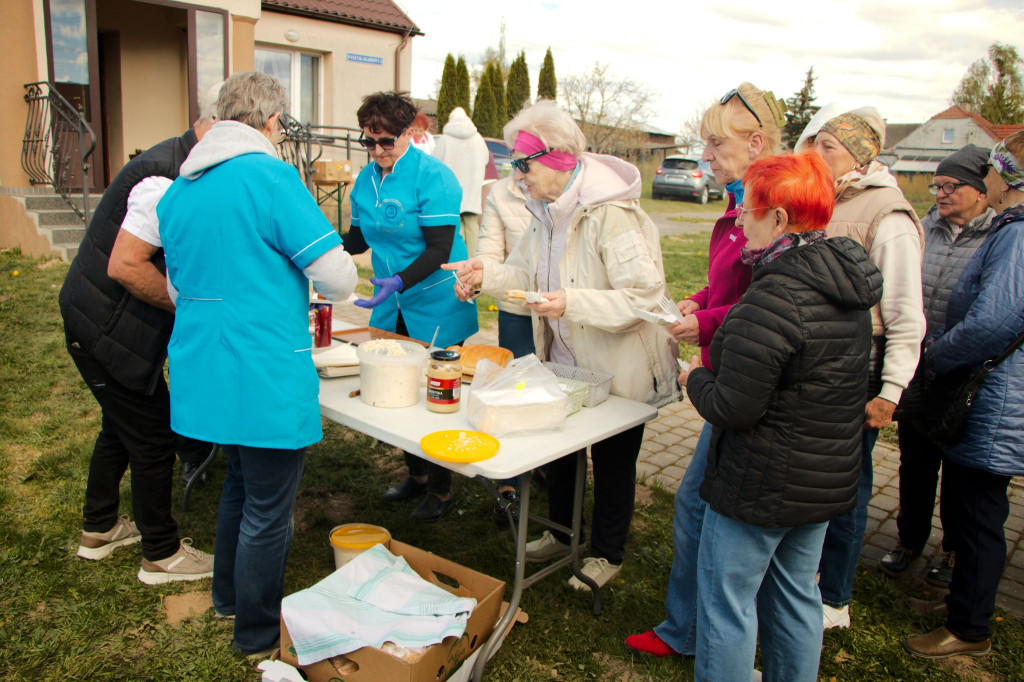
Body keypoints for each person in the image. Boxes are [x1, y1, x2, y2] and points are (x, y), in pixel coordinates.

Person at [157, 71, 358, 655]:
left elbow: (176, 288)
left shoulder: (179, 188)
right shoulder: (270, 178)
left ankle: (227, 599)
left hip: (204, 364)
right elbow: (339, 277)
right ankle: (256, 633)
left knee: (239, 487)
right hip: (263, 365)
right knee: (269, 508)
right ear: (272, 123)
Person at [444, 100, 680, 590]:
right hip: (565, 361)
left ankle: (607, 553)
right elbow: (524, 273)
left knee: (614, 461)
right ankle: (562, 533)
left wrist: (570, 302)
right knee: (562, 452)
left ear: (557, 157)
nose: (516, 174)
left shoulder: (612, 215)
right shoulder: (546, 210)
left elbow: (644, 298)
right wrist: (484, 272)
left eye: (522, 162)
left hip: (620, 367)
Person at [684, 151, 882, 682]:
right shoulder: (846, 288)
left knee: (728, 601)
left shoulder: (775, 294)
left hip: (760, 483)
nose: (739, 221)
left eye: (747, 210)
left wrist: (692, 379)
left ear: (778, 219)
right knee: (797, 594)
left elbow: (732, 406)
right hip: (820, 481)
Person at [626, 82, 785, 658]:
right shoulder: (741, 199)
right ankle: (697, 629)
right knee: (700, 506)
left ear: (757, 142)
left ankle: (695, 633)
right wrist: (701, 299)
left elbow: (775, 299)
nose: (707, 157)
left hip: (744, 382)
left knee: (702, 507)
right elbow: (736, 284)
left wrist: (710, 324)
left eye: (716, 144)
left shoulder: (767, 206)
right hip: (735, 371)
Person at [59, 114, 217, 584]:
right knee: (152, 437)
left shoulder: (180, 161)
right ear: (212, 128)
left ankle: (100, 527)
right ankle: (161, 555)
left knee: (119, 425)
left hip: (99, 320)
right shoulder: (165, 178)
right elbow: (127, 266)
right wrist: (186, 305)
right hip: (107, 326)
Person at [903, 131, 1024, 659]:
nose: (988, 178)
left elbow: (992, 322)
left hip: (996, 399)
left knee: (978, 514)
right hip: (991, 392)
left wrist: (935, 356)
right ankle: (962, 602)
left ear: (1005, 176)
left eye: (992, 171)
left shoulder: (1017, 234)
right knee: (972, 505)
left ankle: (970, 628)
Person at [812, 107, 927, 629]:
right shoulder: (821, 197)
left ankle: (835, 598)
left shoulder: (890, 215)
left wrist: (891, 389)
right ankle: (806, 579)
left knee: (848, 486)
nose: (817, 153)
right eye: (815, 141)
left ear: (863, 156)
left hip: (858, 369)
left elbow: (905, 313)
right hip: (815, 362)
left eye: (830, 146)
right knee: (813, 482)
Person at [342, 91, 478, 522]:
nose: (378, 151)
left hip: (438, 300)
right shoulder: (366, 181)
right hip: (392, 302)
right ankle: (417, 476)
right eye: (369, 142)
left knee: (435, 396)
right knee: (396, 388)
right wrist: (318, 248)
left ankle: (442, 491)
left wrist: (399, 280)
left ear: (409, 134)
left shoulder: (433, 177)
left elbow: (439, 248)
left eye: (387, 141)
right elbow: (359, 239)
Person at [879, 144, 996, 583]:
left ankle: (950, 551)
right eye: (937, 185)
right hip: (918, 366)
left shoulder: (994, 236)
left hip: (964, 372)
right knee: (915, 460)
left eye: (952, 186)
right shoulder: (923, 227)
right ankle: (908, 539)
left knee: (959, 469)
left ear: (982, 191)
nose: (941, 194)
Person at [476, 172, 537, 523]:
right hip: (517, 310)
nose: (519, 167)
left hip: (562, 311)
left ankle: (549, 468)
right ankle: (508, 486)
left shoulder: (568, 190)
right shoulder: (501, 192)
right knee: (512, 392)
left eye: (526, 157)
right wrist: (478, 273)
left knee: (553, 391)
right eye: (514, 158)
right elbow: (489, 252)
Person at [433, 107, 490, 257]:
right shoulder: (478, 138)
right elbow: (486, 159)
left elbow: (435, 163)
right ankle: (474, 259)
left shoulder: (444, 140)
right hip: (472, 188)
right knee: (472, 226)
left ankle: (459, 260)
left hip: (452, 190)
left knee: (455, 227)